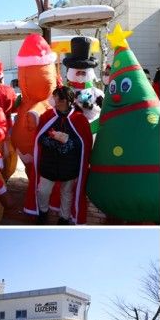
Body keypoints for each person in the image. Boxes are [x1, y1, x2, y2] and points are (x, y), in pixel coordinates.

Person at [30, 85, 93, 225]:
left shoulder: (79, 119)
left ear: (64, 100)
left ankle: (64, 218)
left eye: (56, 97)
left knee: (67, 193)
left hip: (70, 166)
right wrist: (51, 142)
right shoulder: (47, 116)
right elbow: (39, 137)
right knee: (43, 191)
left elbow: (84, 143)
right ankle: (43, 212)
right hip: (49, 165)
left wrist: (69, 144)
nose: (53, 100)